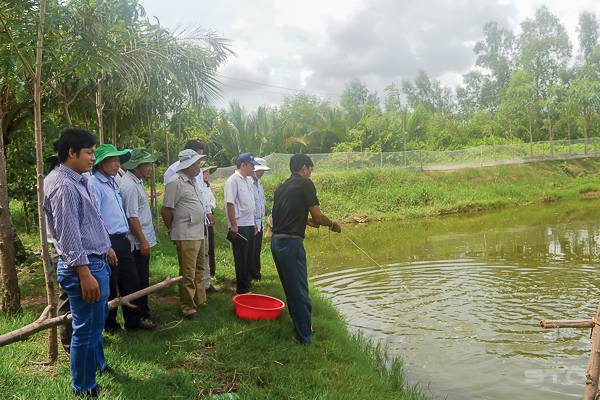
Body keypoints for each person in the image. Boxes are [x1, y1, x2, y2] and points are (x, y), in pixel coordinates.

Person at [44, 128, 124, 397]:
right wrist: (84, 273)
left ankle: (98, 367)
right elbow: (68, 235)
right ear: (71, 153)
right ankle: (84, 386)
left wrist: (107, 247)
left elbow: (90, 221)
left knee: (94, 324)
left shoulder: (79, 180)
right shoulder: (63, 185)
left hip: (95, 260)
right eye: (89, 152)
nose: (93, 157)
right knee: (86, 331)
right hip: (84, 266)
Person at [271, 154, 341, 344]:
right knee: (300, 291)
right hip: (290, 244)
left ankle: (300, 327)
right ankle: (305, 339)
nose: (311, 174)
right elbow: (318, 216)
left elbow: (281, 217)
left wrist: (305, 221)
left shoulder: (282, 187)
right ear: (304, 168)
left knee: (291, 288)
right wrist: (332, 224)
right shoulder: (305, 184)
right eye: (311, 170)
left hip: (276, 243)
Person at [88, 144, 157, 333]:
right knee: (111, 285)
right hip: (108, 241)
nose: (118, 164)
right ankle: (110, 325)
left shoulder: (112, 183)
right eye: (114, 160)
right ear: (101, 163)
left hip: (122, 239)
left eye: (119, 160)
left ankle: (133, 322)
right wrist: (106, 247)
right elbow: (96, 218)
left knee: (131, 282)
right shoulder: (94, 184)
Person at [161, 149, 207, 319]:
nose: (200, 167)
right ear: (188, 165)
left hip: (198, 231)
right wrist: (174, 229)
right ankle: (187, 307)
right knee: (188, 272)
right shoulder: (176, 182)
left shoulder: (192, 180)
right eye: (197, 164)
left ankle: (199, 300)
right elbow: (165, 210)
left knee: (200, 268)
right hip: (186, 234)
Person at [118, 147, 161, 323]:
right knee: (135, 282)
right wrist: (143, 242)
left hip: (142, 240)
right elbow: (132, 217)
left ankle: (144, 311)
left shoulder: (136, 180)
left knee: (142, 279)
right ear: (136, 166)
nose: (150, 168)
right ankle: (137, 317)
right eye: (147, 165)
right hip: (136, 243)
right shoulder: (129, 185)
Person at [44, 142, 73, 354]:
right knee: (67, 294)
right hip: (61, 244)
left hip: (61, 242)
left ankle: (76, 338)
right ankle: (68, 342)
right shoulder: (57, 181)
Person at [224, 153, 259, 295]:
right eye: (251, 165)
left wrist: (254, 222)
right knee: (241, 257)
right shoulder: (233, 181)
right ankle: (242, 288)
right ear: (243, 165)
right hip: (240, 225)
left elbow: (250, 203)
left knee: (250, 255)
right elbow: (230, 203)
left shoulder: (248, 180)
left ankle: (247, 282)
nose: (253, 168)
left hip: (249, 223)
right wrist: (233, 224)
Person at [248, 157, 270, 281]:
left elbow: (261, 202)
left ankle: (256, 272)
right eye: (260, 170)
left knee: (257, 248)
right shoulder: (248, 183)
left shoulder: (259, 183)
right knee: (251, 248)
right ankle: (251, 273)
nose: (262, 173)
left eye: (263, 171)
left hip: (260, 221)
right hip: (251, 221)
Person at [200, 160, 220, 293]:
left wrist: (211, 206)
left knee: (210, 248)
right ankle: (203, 281)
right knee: (203, 250)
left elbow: (212, 199)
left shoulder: (207, 186)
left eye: (208, 172)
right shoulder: (197, 185)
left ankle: (210, 276)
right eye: (205, 171)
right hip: (201, 221)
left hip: (209, 220)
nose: (207, 174)